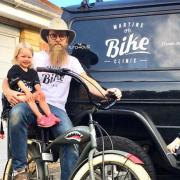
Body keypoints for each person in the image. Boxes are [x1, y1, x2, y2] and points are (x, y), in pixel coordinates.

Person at [2, 17, 122, 180]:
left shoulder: (72, 62)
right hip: (33, 104)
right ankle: (19, 170)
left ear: (67, 40)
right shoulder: (35, 58)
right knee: (16, 114)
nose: (58, 39)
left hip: (57, 109)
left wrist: (106, 92)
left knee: (72, 139)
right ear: (48, 38)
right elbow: (12, 74)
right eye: (54, 36)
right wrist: (8, 91)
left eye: (62, 36)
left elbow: (87, 80)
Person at [4, 42, 60, 128]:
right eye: (23, 56)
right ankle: (40, 117)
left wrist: (39, 91)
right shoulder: (15, 69)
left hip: (29, 94)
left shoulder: (32, 71)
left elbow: (36, 83)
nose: (26, 59)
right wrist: (27, 92)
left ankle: (50, 115)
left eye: (29, 57)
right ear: (17, 57)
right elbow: (19, 82)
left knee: (40, 97)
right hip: (18, 95)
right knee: (29, 98)